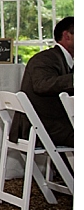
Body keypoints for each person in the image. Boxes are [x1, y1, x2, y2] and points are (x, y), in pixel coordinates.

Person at [12, 16, 73, 147]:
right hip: (40, 127)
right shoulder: (45, 59)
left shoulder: (64, 60)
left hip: (51, 123)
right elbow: (42, 85)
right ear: (67, 36)